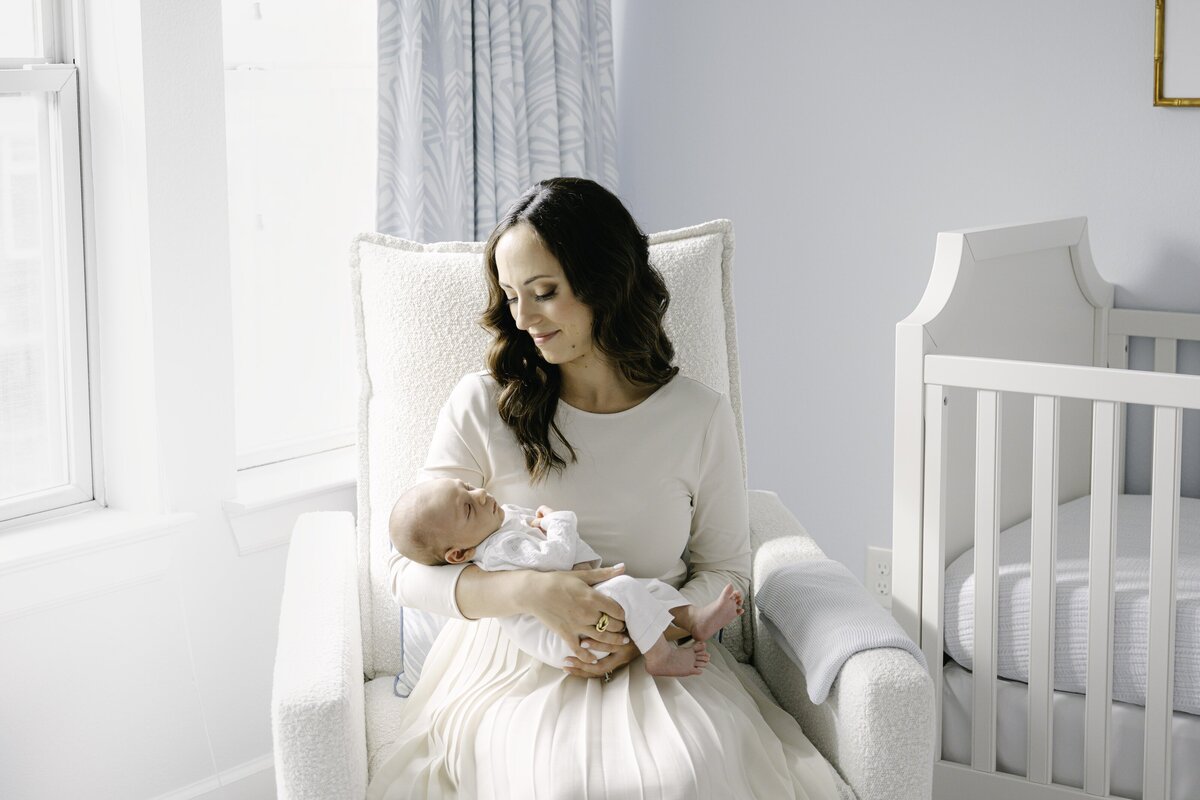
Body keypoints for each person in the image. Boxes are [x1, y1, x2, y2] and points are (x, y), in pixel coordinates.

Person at [367, 177, 840, 799]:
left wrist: (644, 630)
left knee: (682, 776)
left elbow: (727, 569)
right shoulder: (483, 403)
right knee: (552, 783)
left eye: (544, 292)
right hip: (517, 660)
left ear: (605, 284)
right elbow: (405, 568)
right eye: (511, 295)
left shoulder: (696, 416)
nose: (523, 318)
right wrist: (534, 592)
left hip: (660, 652)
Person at [389, 477, 746, 677]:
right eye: (468, 506)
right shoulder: (498, 550)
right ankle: (660, 656)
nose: (480, 494)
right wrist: (557, 520)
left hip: (590, 606)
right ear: (459, 555)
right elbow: (555, 556)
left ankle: (693, 620)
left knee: (643, 590)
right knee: (627, 589)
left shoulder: (496, 523)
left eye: (468, 486)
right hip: (563, 639)